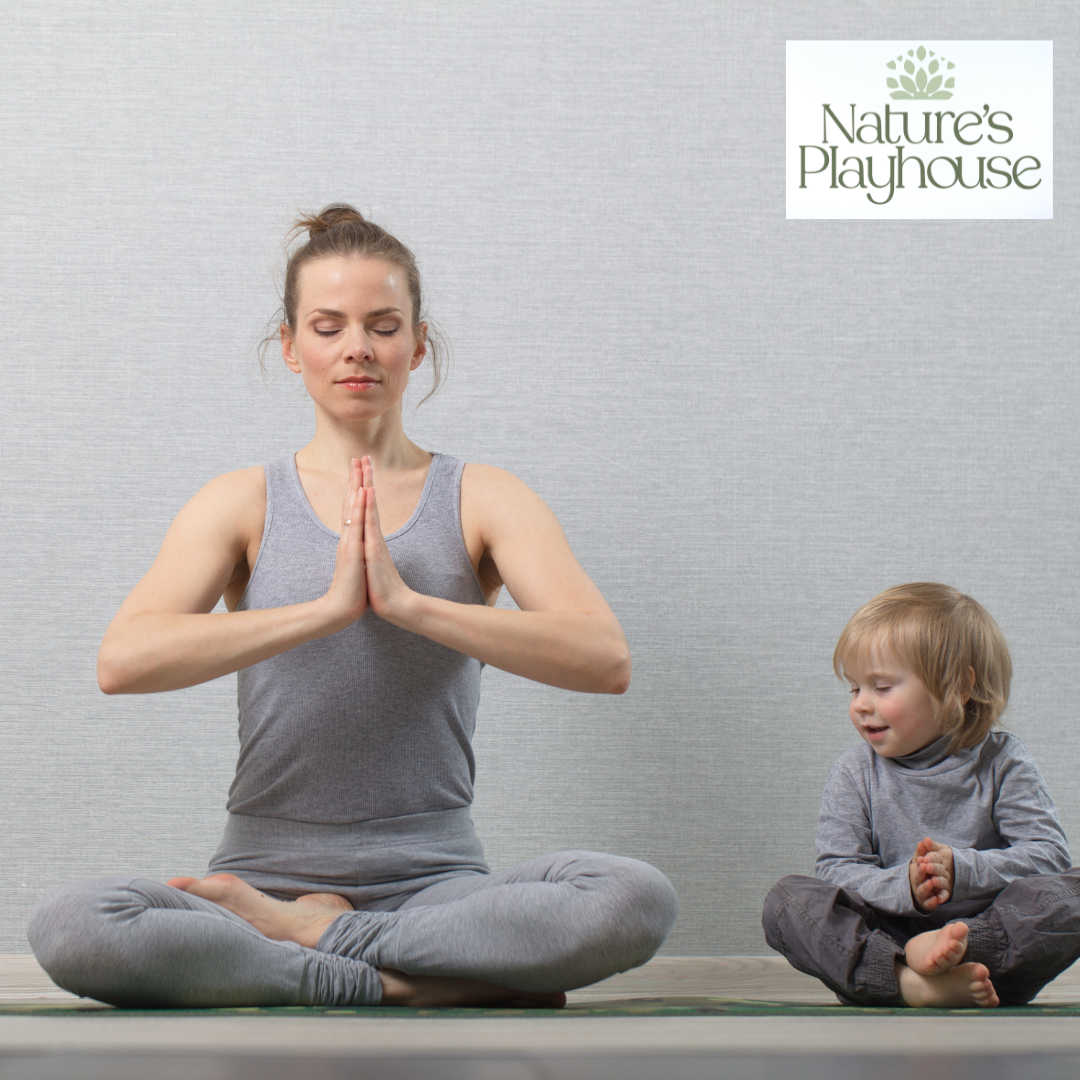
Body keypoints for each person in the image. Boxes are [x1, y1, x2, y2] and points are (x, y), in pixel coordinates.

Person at [28, 205, 678, 1009]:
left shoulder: (482, 496)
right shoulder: (242, 500)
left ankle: (317, 948)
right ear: (290, 347)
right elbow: (122, 662)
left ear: (418, 344)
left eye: (382, 325)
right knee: (73, 926)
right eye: (328, 327)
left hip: (435, 885)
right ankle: (403, 980)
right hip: (262, 877)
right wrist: (325, 610)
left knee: (631, 899)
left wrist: (408, 604)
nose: (357, 349)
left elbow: (603, 658)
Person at [762, 582, 1079, 1009]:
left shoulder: (1003, 761)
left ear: (957, 687)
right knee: (788, 901)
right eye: (855, 689)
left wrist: (962, 870)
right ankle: (908, 979)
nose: (861, 704)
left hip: (992, 946)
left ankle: (951, 960)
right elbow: (838, 871)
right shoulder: (855, 771)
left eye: (881, 687)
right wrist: (905, 886)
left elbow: (1048, 857)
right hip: (887, 938)